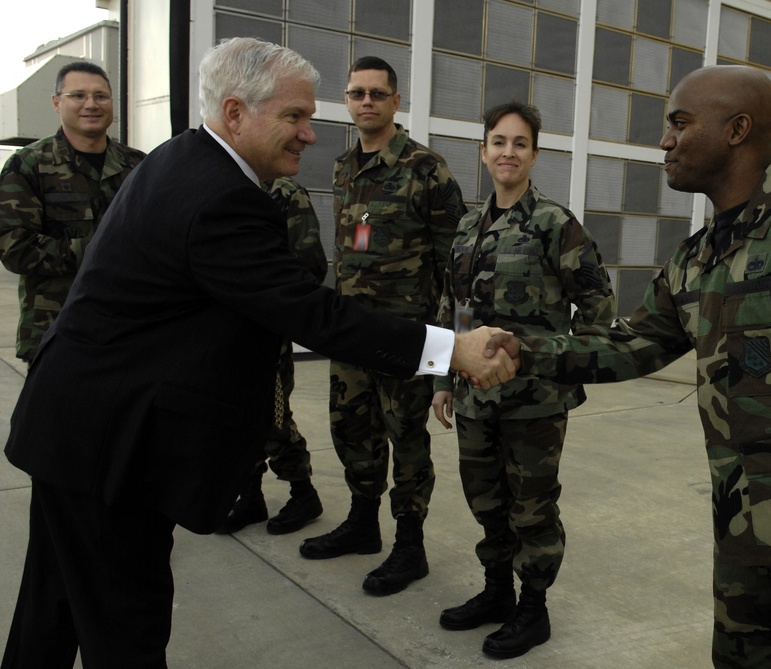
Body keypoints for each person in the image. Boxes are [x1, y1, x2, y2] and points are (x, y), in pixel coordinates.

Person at [1, 37, 516, 669]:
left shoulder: (179, 160)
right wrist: (451, 350)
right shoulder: (221, 197)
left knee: (50, 610)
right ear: (237, 113)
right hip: (110, 445)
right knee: (124, 627)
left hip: (78, 427)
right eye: (294, 117)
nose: (309, 134)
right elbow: (309, 310)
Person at [487, 65, 771, 667]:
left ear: (737, 129)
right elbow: (634, 344)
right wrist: (526, 350)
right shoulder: (698, 255)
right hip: (741, 536)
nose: (665, 141)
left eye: (679, 123)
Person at [431, 101, 615, 659]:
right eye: (498, 142)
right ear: (483, 151)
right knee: (485, 500)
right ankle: (496, 593)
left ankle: (533, 610)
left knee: (531, 506)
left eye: (519, 143)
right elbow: (455, 307)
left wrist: (561, 370)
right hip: (473, 397)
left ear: (534, 154)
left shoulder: (556, 224)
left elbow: (599, 307)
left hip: (533, 402)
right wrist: (442, 377)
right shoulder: (467, 225)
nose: (507, 152)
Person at [298, 56, 467, 598]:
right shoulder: (344, 167)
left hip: (408, 339)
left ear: (396, 101)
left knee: (407, 440)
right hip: (352, 333)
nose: (366, 101)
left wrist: (444, 348)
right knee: (352, 428)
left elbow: (454, 266)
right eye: (356, 93)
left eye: (376, 93)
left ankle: (410, 545)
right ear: (347, 103)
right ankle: (363, 523)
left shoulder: (427, 169)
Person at [0, 61, 145, 365]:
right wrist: (97, 251)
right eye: (78, 95)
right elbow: (13, 245)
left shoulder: (140, 166)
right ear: (57, 102)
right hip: (56, 330)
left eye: (101, 96)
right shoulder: (28, 165)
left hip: (127, 329)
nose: (91, 104)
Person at [217, 177, 327, 535]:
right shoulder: (219, 185)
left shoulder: (284, 193)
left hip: (264, 329)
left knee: (273, 415)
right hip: (224, 328)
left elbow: (309, 267)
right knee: (233, 416)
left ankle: (303, 493)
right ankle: (249, 495)